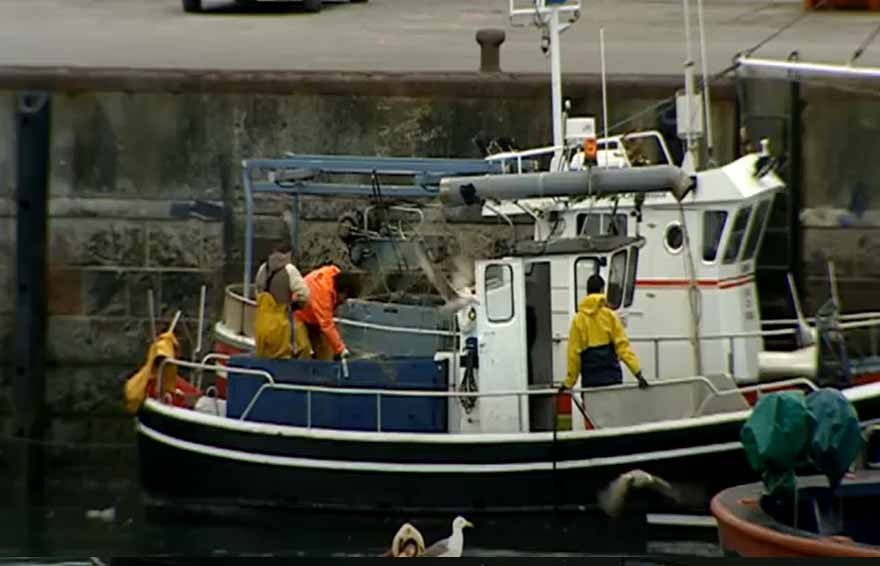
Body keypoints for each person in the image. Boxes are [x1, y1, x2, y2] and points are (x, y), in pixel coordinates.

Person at [560, 274, 648, 392]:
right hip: (611, 378)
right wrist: (638, 373)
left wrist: (569, 383)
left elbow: (573, 355)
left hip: (590, 380)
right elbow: (623, 347)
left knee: (592, 410)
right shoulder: (610, 316)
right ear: (602, 289)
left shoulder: (578, 320)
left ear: (587, 291)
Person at [253, 244, 310, 359]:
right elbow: (304, 295)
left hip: (260, 323)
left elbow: (257, 292)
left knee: (263, 360)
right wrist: (295, 305)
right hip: (279, 325)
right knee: (298, 350)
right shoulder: (290, 269)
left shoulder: (263, 268)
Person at [293, 265, 359, 361]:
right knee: (303, 349)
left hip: (315, 318)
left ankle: (325, 372)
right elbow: (327, 325)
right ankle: (301, 373)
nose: (344, 302)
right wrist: (341, 350)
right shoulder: (322, 292)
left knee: (326, 351)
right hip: (298, 315)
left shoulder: (334, 274)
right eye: (345, 298)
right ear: (343, 292)